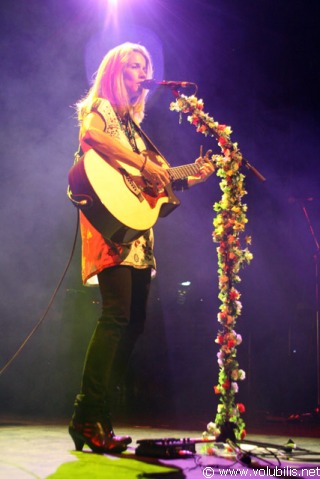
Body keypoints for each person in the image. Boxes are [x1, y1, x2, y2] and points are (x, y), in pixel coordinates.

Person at [68, 42, 214, 454]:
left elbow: (154, 186)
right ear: (116, 71)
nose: (141, 73)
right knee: (115, 318)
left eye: (145, 67)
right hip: (110, 229)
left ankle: (99, 414)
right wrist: (145, 164)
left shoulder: (135, 126)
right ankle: (85, 415)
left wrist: (188, 177)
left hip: (138, 233)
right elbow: (91, 137)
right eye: (134, 66)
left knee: (134, 325)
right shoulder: (102, 109)